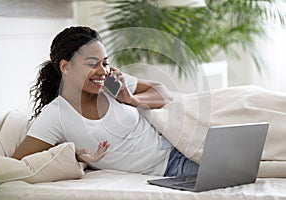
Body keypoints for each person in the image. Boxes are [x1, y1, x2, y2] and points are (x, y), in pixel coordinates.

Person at [12, 26, 199, 176]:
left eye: (105, 63)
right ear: (65, 66)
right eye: (93, 64)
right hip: (170, 166)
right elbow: (19, 162)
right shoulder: (56, 115)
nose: (103, 71)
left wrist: (131, 99)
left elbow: (163, 93)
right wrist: (74, 155)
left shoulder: (110, 83)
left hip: (182, 139)